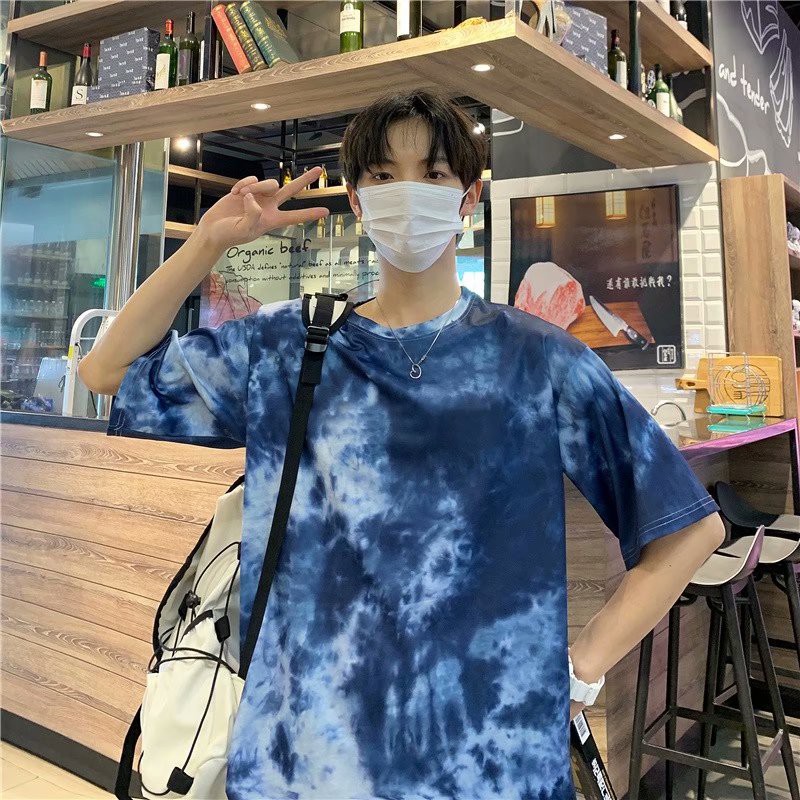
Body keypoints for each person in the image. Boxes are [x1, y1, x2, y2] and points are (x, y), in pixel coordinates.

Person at [79, 91, 725, 800]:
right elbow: (105, 372)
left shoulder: (540, 360)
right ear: (357, 202)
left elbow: (688, 529)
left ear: (469, 199)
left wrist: (583, 667)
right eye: (384, 176)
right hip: (307, 758)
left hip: (488, 762)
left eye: (434, 173)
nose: (408, 192)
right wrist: (207, 244)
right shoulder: (287, 347)